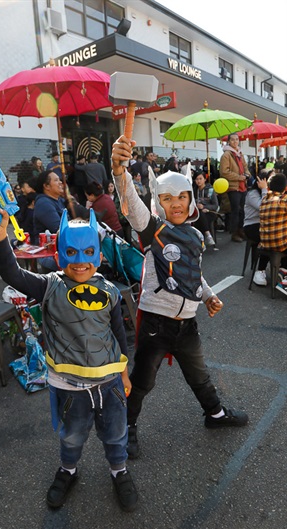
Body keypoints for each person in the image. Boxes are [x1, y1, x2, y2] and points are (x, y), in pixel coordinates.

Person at [0, 204, 138, 512]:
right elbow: (11, 273)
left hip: (109, 384)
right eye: (72, 253)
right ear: (60, 253)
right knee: (71, 436)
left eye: (88, 252)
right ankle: (68, 470)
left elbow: (120, 336)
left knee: (116, 434)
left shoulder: (110, 292)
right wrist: (0, 238)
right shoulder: (49, 286)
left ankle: (119, 471)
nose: (80, 262)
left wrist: (124, 373)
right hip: (69, 385)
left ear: (100, 255)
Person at [111, 136, 249, 460]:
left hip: (187, 324)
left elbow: (193, 274)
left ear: (191, 201)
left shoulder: (196, 235)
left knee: (199, 375)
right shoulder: (153, 229)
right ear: (158, 202)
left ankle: (214, 414)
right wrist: (120, 172)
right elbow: (131, 203)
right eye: (167, 197)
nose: (176, 203)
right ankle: (126, 428)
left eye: (182, 196)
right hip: (156, 326)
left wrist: (209, 296)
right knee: (142, 381)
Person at [259, 173, 287, 296]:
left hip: (265, 243)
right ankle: (284, 281)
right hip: (280, 244)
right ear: (285, 188)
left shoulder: (264, 200)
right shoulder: (284, 200)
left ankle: (282, 273)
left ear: (269, 188)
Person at [219, 133, 250, 242]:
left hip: (243, 186)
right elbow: (224, 172)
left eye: (237, 139)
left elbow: (245, 167)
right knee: (235, 211)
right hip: (233, 187)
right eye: (233, 140)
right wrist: (239, 177)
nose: (235, 142)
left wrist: (247, 175)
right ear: (229, 142)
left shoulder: (240, 154)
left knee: (243, 211)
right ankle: (234, 233)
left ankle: (241, 230)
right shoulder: (226, 155)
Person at [243, 170, 270, 286]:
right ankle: (260, 270)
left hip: (266, 225)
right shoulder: (252, 193)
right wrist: (264, 189)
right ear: (261, 181)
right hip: (252, 225)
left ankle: (282, 269)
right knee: (269, 238)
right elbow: (263, 208)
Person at [193, 172, 219, 248]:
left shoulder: (210, 190)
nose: (198, 181)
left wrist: (205, 207)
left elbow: (215, 205)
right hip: (198, 213)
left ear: (205, 179)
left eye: (200, 179)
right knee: (200, 215)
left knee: (201, 215)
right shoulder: (194, 191)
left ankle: (202, 241)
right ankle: (207, 235)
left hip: (210, 212)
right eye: (197, 179)